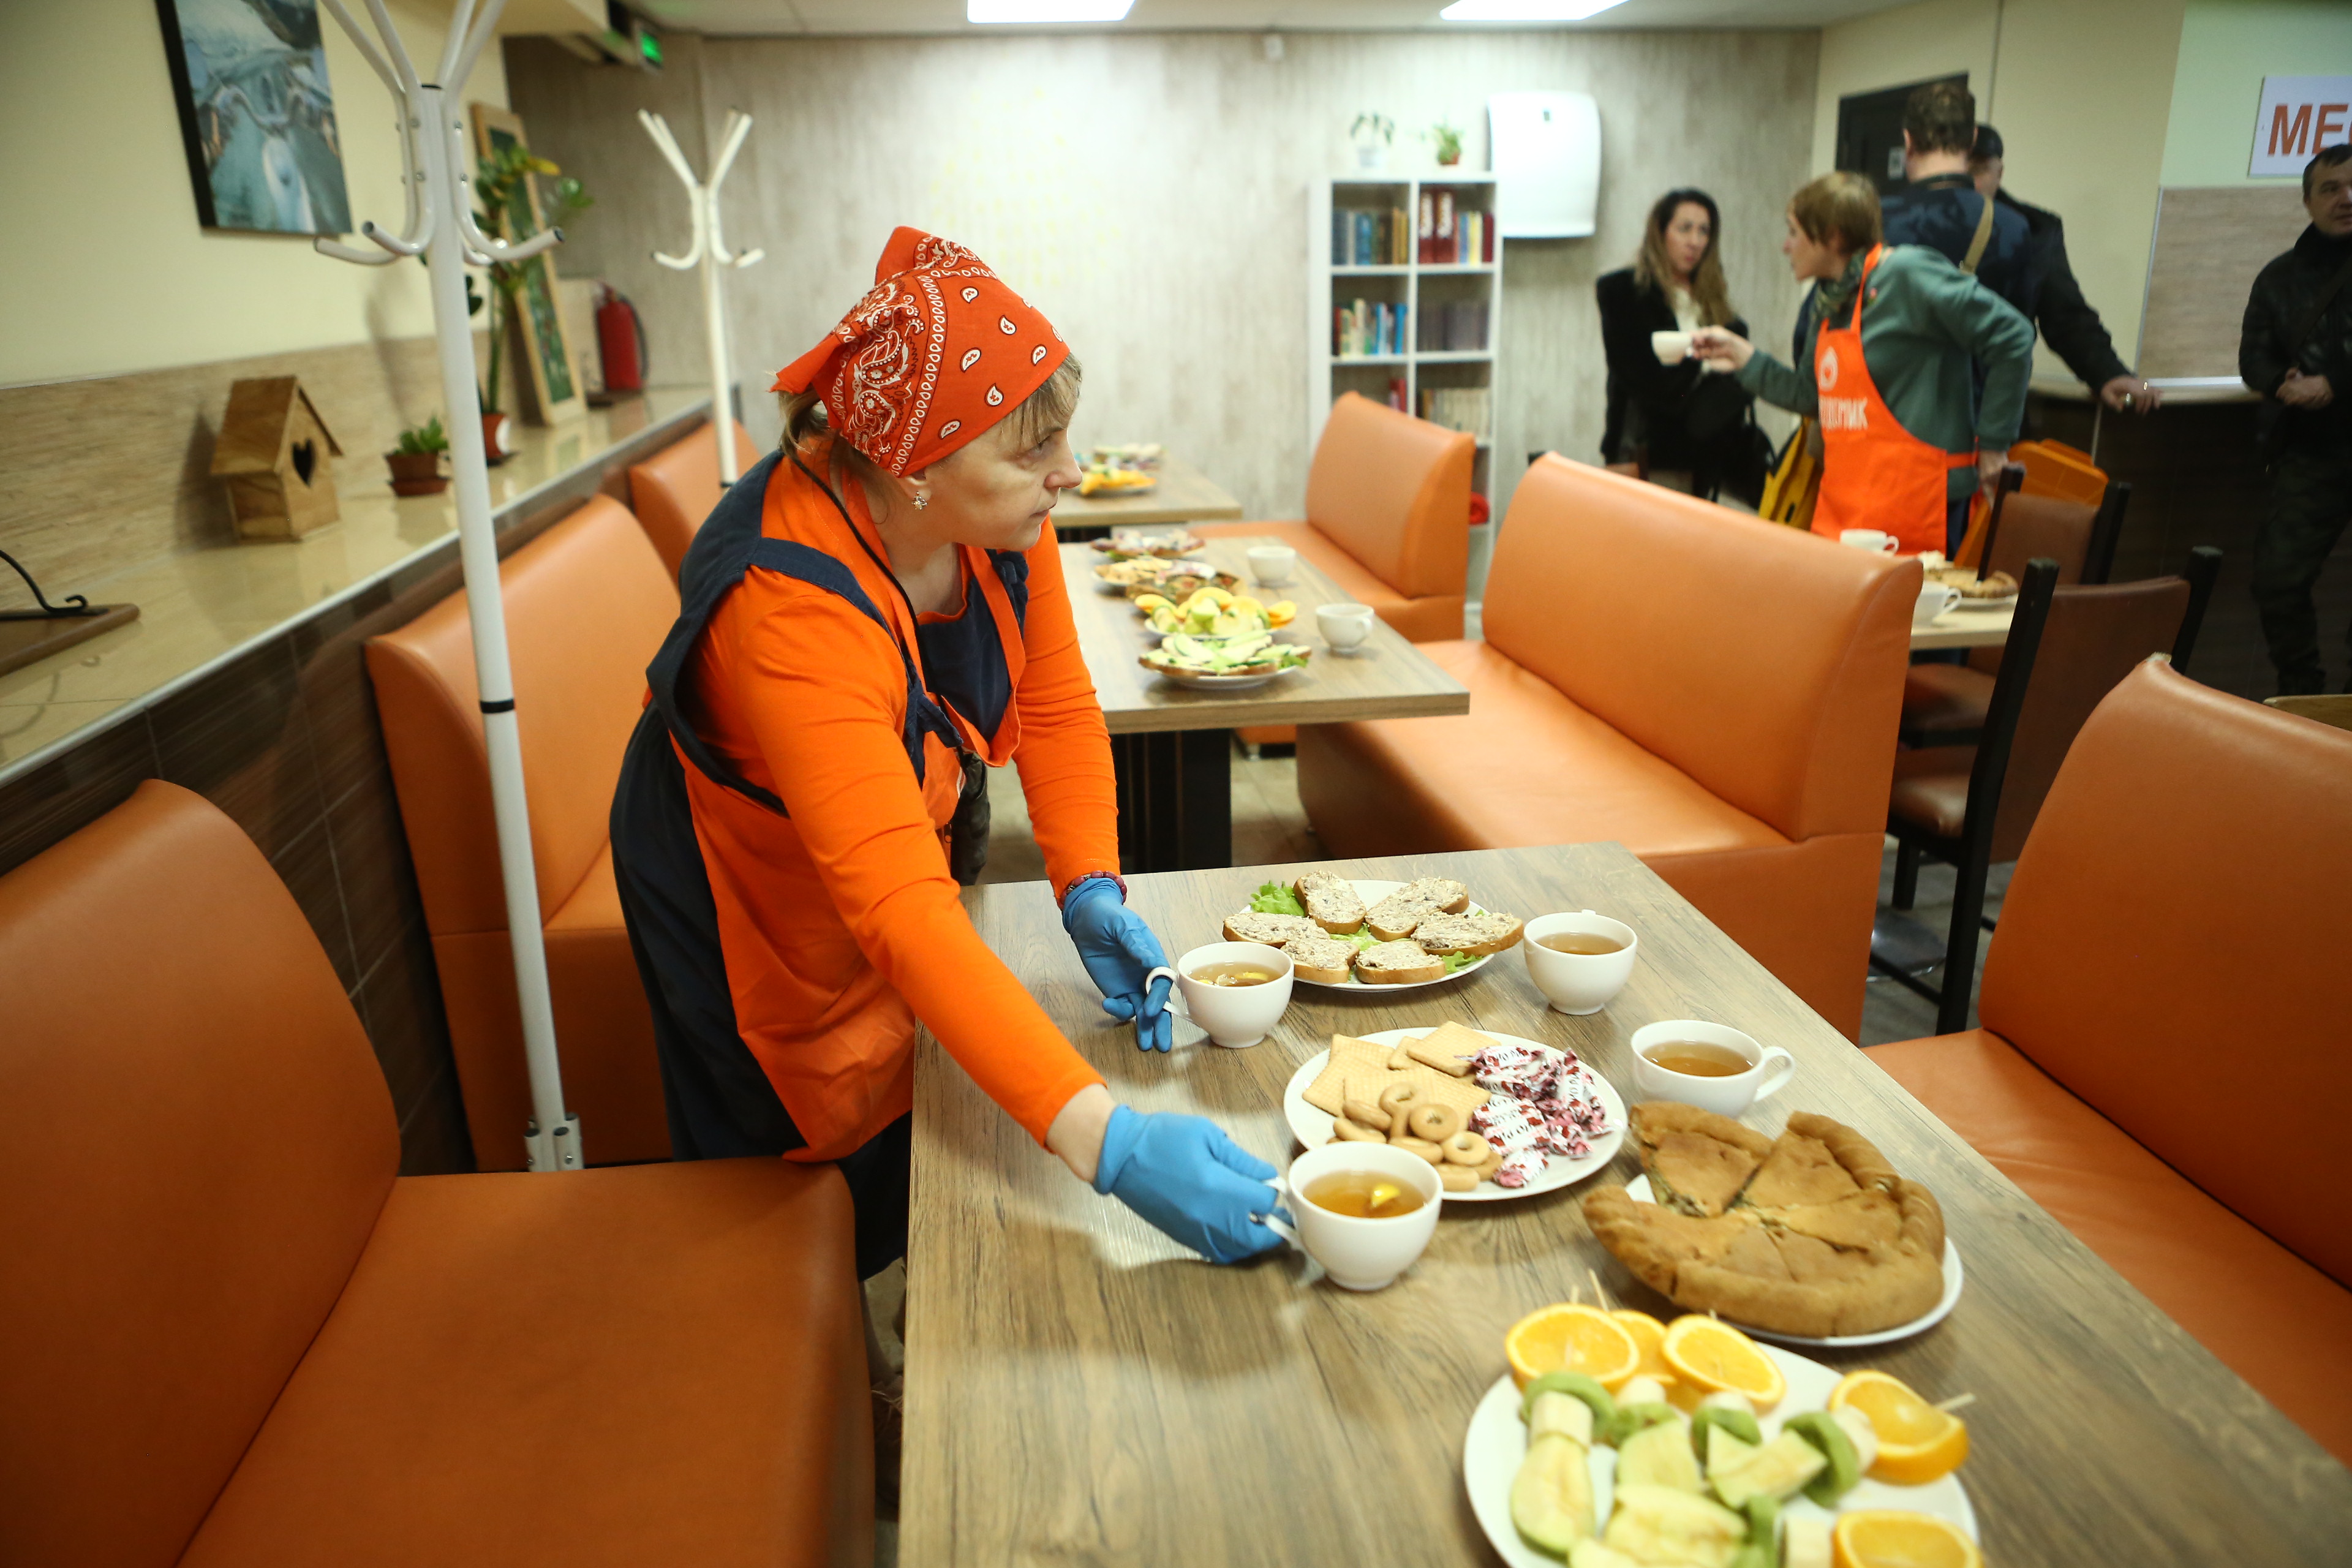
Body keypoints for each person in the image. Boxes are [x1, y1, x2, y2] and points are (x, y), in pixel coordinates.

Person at [609, 227, 1289, 1280]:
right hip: (746, 874)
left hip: (888, 832)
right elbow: (898, 909)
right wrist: (1108, 1144)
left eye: (1064, 438)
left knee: (928, 1057)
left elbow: (1052, 703)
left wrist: (1088, 884)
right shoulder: (787, 608)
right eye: (1033, 450)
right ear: (915, 466)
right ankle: (826, 1331)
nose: (1069, 473)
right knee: (811, 1128)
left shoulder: (1003, 513)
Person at [1694, 172, 2035, 557]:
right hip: (1846, 508)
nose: (1786, 246)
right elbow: (1810, 396)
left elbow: (2013, 336)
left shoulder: (1906, 274)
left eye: (1794, 232)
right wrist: (1743, 357)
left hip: (1920, 506)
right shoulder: (1829, 300)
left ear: (1834, 237)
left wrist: (1994, 445)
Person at [2239, 143, 2352, 696]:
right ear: (2308, 201)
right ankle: (2303, 697)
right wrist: (2281, 382)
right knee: (2277, 581)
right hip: (2313, 451)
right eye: (2331, 189)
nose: (2347, 198)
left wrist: (2335, 383)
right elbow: (2253, 356)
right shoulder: (2279, 277)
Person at [1969, 124, 2160, 415]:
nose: (1969, 183)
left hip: (1994, 405)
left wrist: (2110, 373)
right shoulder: (1915, 222)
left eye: (1980, 170)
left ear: (1999, 173)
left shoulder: (2036, 231)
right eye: (1962, 170)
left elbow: (2066, 317)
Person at [1596, 188, 1762, 501]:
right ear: (1660, 233)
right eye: (1684, 229)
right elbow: (1645, 380)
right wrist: (1704, 366)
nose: (1695, 242)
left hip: (1706, 459)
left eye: (1704, 231)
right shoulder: (1624, 292)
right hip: (1645, 452)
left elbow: (1739, 384)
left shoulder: (1720, 310)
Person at [1881, 80, 2037, 324]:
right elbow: (2016, 329)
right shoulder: (2013, 227)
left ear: (1908, 140)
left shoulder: (1871, 218)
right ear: (1973, 139)